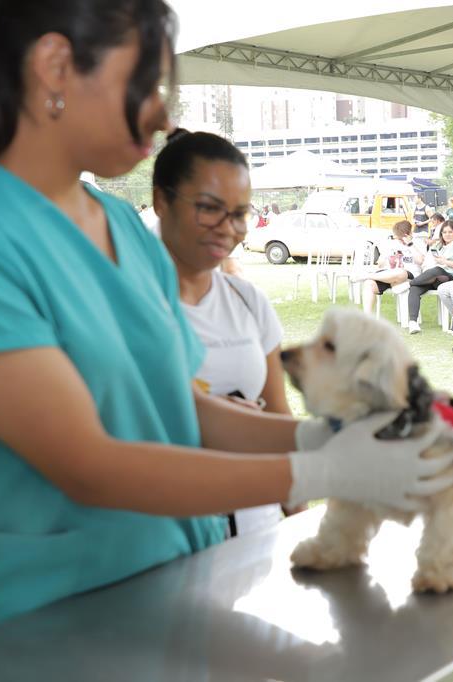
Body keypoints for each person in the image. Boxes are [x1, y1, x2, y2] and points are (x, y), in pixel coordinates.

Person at [0, 0, 453, 652]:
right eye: (146, 85)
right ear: (56, 66)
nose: (164, 115)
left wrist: (332, 434)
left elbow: (185, 411)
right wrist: (330, 471)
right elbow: (89, 464)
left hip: (165, 597)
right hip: (18, 630)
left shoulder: (129, 239)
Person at [153, 129, 294, 535]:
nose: (227, 228)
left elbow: (276, 411)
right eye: (209, 208)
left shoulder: (249, 300)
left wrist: (297, 514)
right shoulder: (132, 304)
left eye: (239, 214)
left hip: (258, 532)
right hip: (171, 537)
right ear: (162, 201)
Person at [406, 219, 453, 334]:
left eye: (450, 232)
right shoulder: (437, 245)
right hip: (432, 278)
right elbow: (426, 261)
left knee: (437, 270)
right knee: (415, 288)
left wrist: (445, 262)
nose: (447, 235)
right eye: (444, 232)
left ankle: (411, 282)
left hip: (450, 277)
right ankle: (413, 323)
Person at [357, 219, 425, 315]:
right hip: (388, 276)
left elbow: (420, 261)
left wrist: (410, 244)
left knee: (401, 272)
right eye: (398, 237)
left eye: (402, 237)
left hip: (408, 276)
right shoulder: (392, 244)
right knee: (369, 284)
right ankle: (367, 318)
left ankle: (367, 275)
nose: (400, 240)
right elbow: (380, 263)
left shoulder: (417, 243)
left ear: (409, 234)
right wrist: (381, 260)